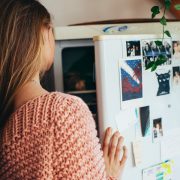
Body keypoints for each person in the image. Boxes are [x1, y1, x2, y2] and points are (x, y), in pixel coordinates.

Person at [0, 0, 127, 180]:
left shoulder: (6, 134)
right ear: (42, 32)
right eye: (51, 29)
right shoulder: (63, 112)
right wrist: (109, 176)